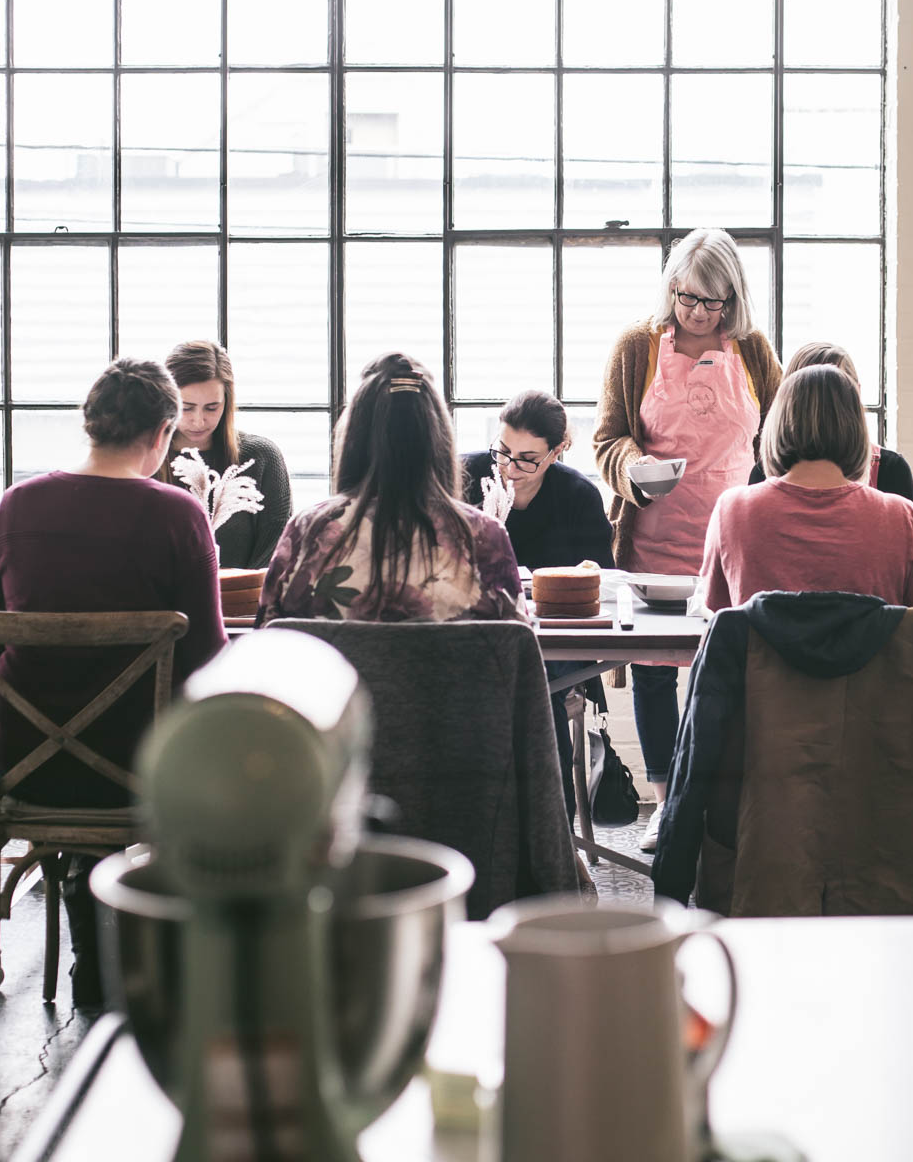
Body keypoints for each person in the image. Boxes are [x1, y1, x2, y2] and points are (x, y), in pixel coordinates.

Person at [0, 358, 228, 1006]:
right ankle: (140, 956)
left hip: (20, 765)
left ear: (89, 426)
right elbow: (207, 660)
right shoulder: (178, 516)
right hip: (139, 768)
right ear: (162, 434)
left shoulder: (15, 506)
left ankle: (88, 945)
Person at [593, 228, 782, 849]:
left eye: (713, 302)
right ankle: (666, 803)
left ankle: (721, 798)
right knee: (653, 674)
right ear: (670, 288)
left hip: (734, 540)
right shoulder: (638, 347)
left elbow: (781, 440)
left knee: (727, 667)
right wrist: (633, 471)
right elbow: (608, 439)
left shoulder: (753, 351)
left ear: (734, 299)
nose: (698, 313)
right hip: (654, 537)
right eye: (688, 298)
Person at [257, 352, 526, 626]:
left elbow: (266, 639)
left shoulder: (308, 531)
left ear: (354, 438)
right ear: (438, 440)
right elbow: (519, 651)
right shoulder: (483, 537)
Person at [463, 390, 614, 822]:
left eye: (528, 458)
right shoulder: (467, 476)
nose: (510, 468)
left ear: (558, 450)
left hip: (553, 646)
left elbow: (602, 582)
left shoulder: (578, 497)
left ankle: (553, 832)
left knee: (531, 678)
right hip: (477, 634)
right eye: (503, 451)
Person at [702, 363, 913, 612]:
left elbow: (716, 613)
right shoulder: (901, 518)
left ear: (778, 425)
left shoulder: (732, 511)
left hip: (765, 653)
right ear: (856, 430)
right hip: (865, 653)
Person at [160, 339, 291, 570]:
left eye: (212, 408)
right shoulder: (145, 459)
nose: (198, 421)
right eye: (187, 407)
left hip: (244, 602)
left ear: (227, 403)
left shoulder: (260, 457)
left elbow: (274, 553)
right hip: (162, 606)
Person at [747, 341, 913, 502]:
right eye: (811, 397)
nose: (823, 412)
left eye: (835, 395)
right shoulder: (762, 474)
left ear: (857, 394)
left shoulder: (891, 470)